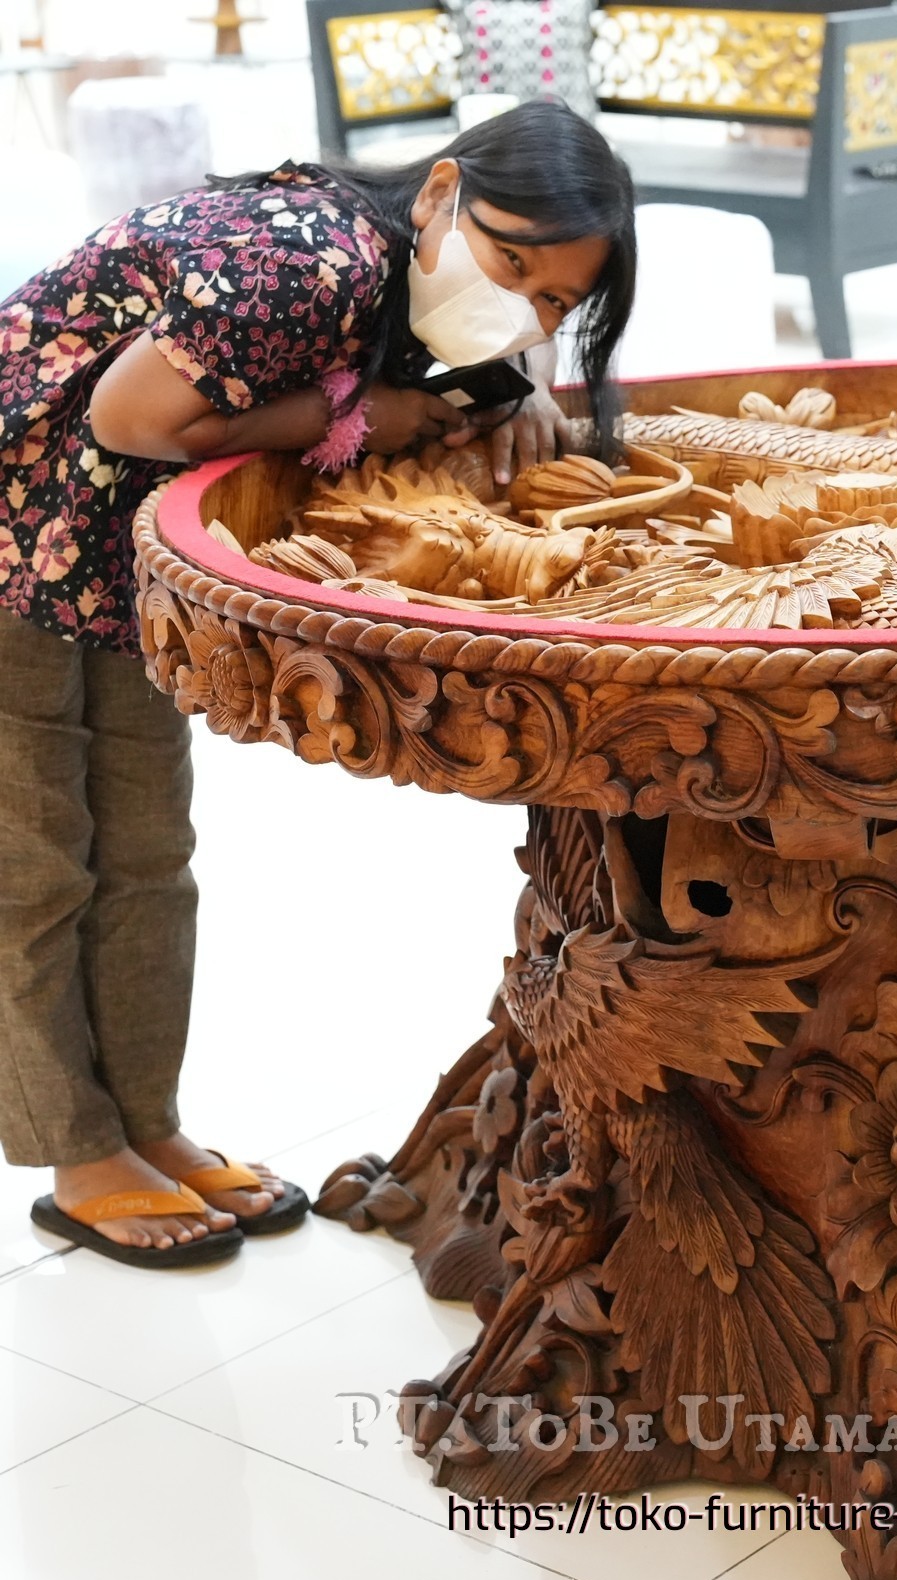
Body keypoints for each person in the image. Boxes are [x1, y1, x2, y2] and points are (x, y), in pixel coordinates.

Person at [0, 102, 637, 1268]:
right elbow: (128, 413)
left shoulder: (417, 287)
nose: (524, 309)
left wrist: (521, 382)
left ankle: (148, 1127)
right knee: (36, 865)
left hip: (101, 559)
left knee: (145, 853)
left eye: (554, 299)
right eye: (511, 266)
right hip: (14, 526)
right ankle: (77, 1152)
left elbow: (474, 371)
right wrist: (356, 416)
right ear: (439, 193)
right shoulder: (313, 256)